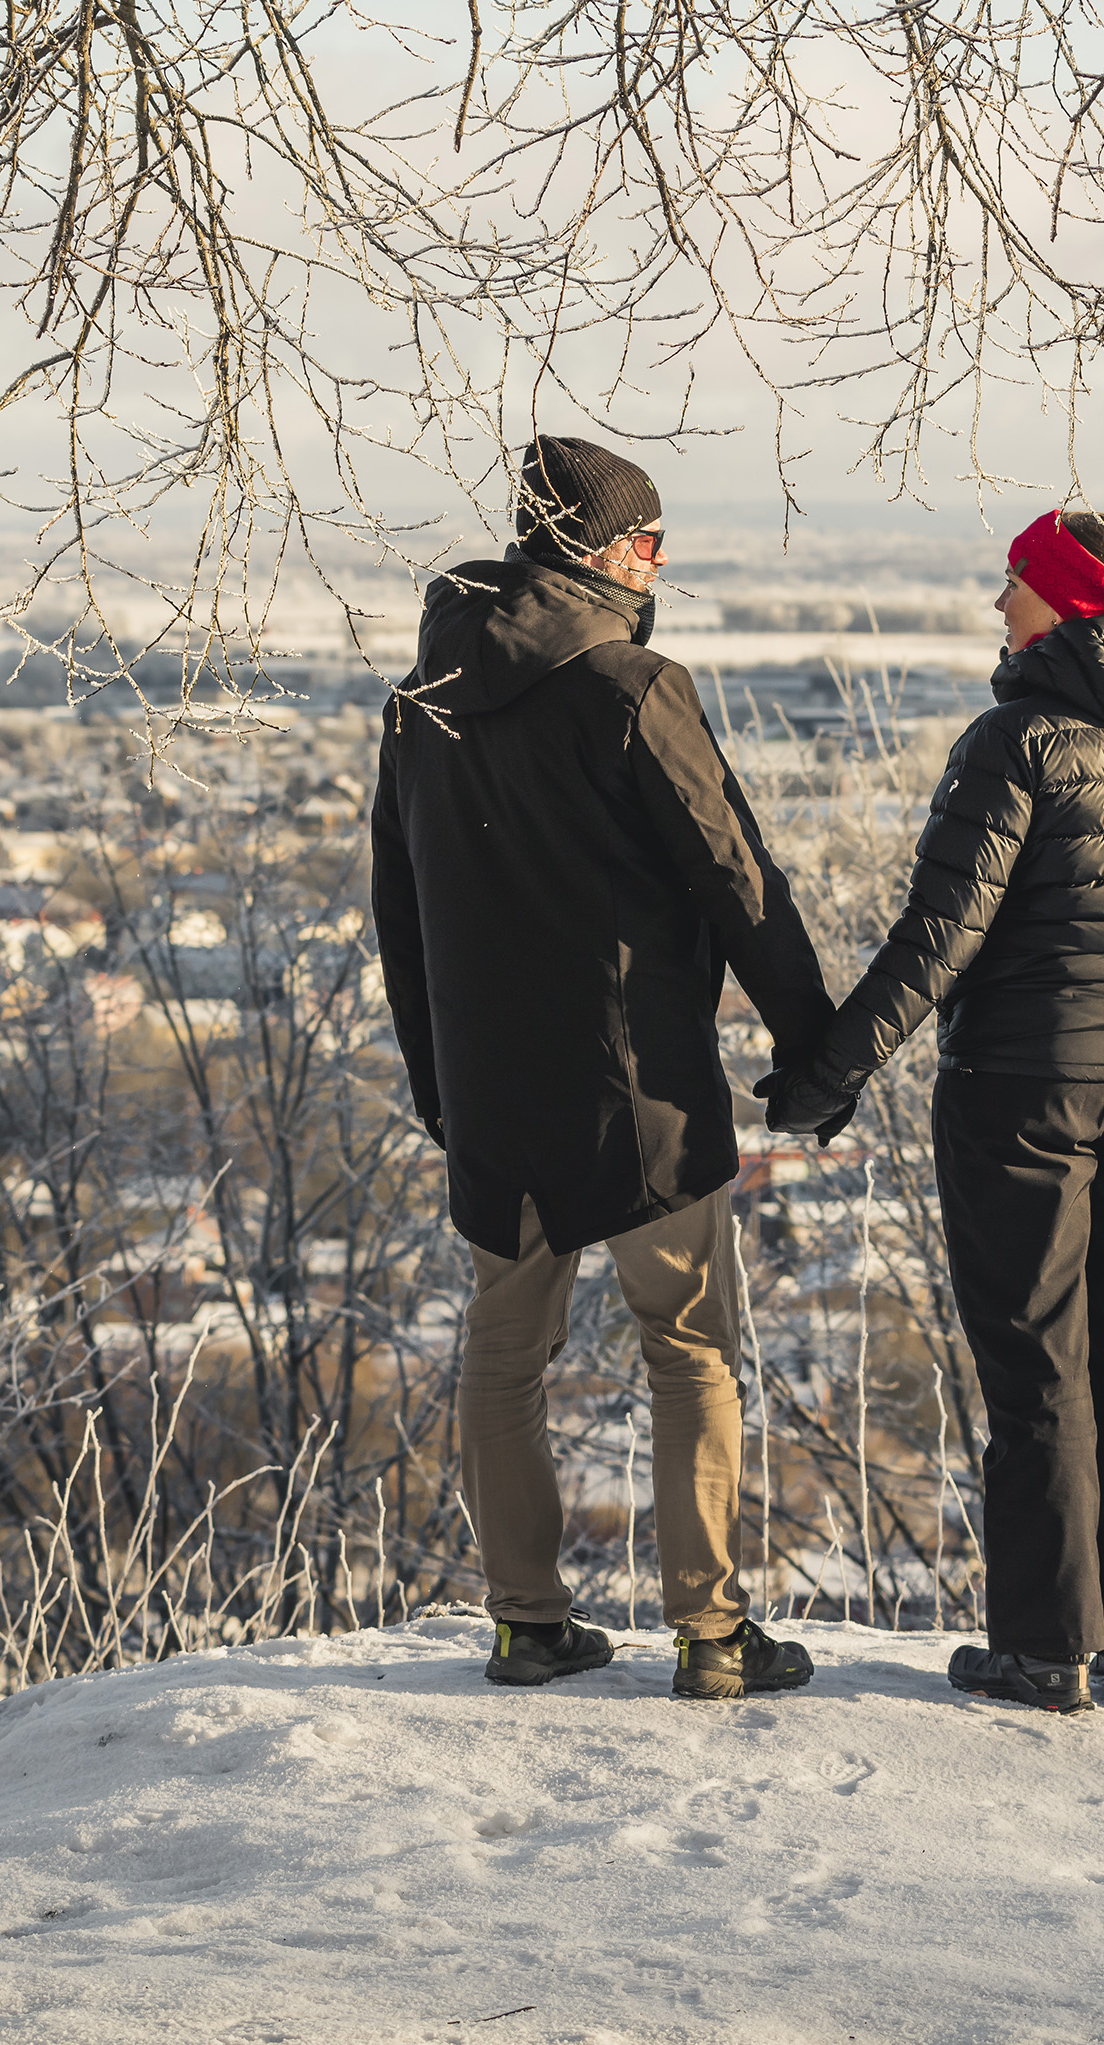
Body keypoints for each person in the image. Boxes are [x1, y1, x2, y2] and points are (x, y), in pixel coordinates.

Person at [760, 508, 1104, 1715]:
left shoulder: (1015, 739)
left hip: (1025, 1091)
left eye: (1014, 582)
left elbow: (939, 938)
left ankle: (1044, 1648)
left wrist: (828, 1073)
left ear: (1066, 602)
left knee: (1039, 1369)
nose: (997, 604)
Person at [373, 433, 835, 1701]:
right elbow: (733, 872)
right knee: (687, 1346)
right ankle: (712, 1635)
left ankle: (526, 1621)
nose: (657, 557)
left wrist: (436, 1082)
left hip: (493, 1090)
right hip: (644, 1091)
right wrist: (813, 1045)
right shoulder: (634, 685)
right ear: (585, 548)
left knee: (501, 1351)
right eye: (643, 537)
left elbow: (396, 913)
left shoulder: (420, 704)